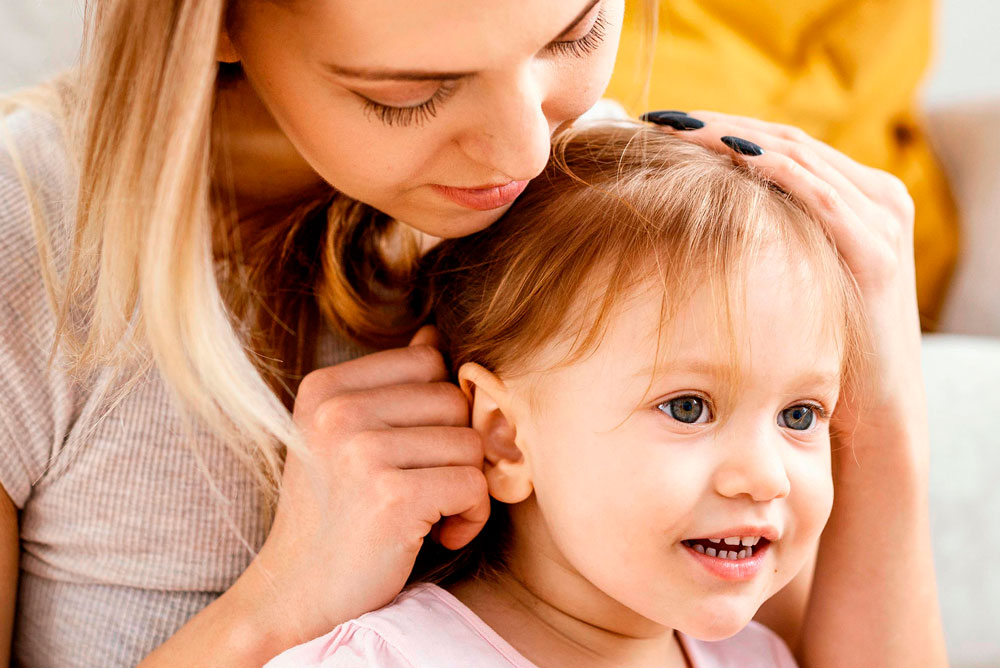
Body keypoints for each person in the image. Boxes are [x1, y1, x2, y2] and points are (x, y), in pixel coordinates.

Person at [0, 0, 944, 666]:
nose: (527, 152)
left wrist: (881, 409)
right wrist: (280, 609)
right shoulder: (25, 244)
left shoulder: (577, 216)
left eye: (574, 32)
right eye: (412, 91)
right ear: (215, 23)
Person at [262, 122, 872, 667]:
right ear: (505, 437)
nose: (766, 478)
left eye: (799, 414)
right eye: (688, 407)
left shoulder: (762, 658)